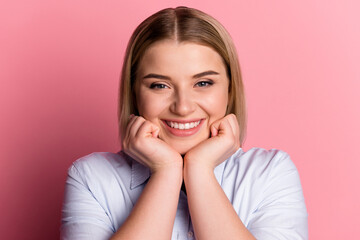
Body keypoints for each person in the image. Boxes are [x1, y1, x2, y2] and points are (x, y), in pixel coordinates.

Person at [61, 6, 308, 240]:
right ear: (135, 93)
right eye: (160, 85)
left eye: (203, 83)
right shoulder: (91, 178)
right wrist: (165, 171)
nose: (183, 107)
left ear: (230, 91)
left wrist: (199, 168)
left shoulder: (271, 174)